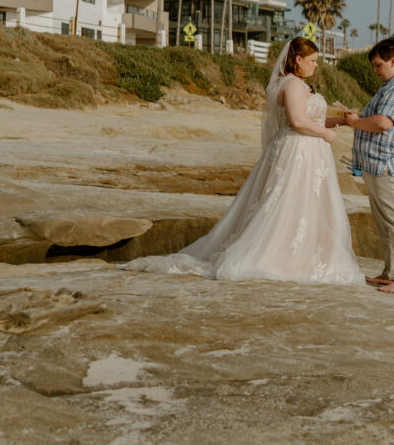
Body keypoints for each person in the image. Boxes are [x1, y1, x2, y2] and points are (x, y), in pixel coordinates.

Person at [124, 38, 366, 285]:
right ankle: (281, 256)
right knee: (288, 201)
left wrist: (341, 122)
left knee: (303, 203)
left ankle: (303, 255)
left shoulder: (298, 84)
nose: (316, 66)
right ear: (297, 60)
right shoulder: (292, 84)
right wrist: (325, 134)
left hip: (308, 151)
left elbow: (311, 118)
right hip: (297, 150)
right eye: (312, 61)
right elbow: (298, 121)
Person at [342, 38, 394, 295]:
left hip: (389, 165)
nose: (375, 70)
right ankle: (392, 272)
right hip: (379, 165)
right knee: (386, 223)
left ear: (393, 61)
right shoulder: (392, 85)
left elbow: (383, 122)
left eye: (378, 65)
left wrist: (356, 122)